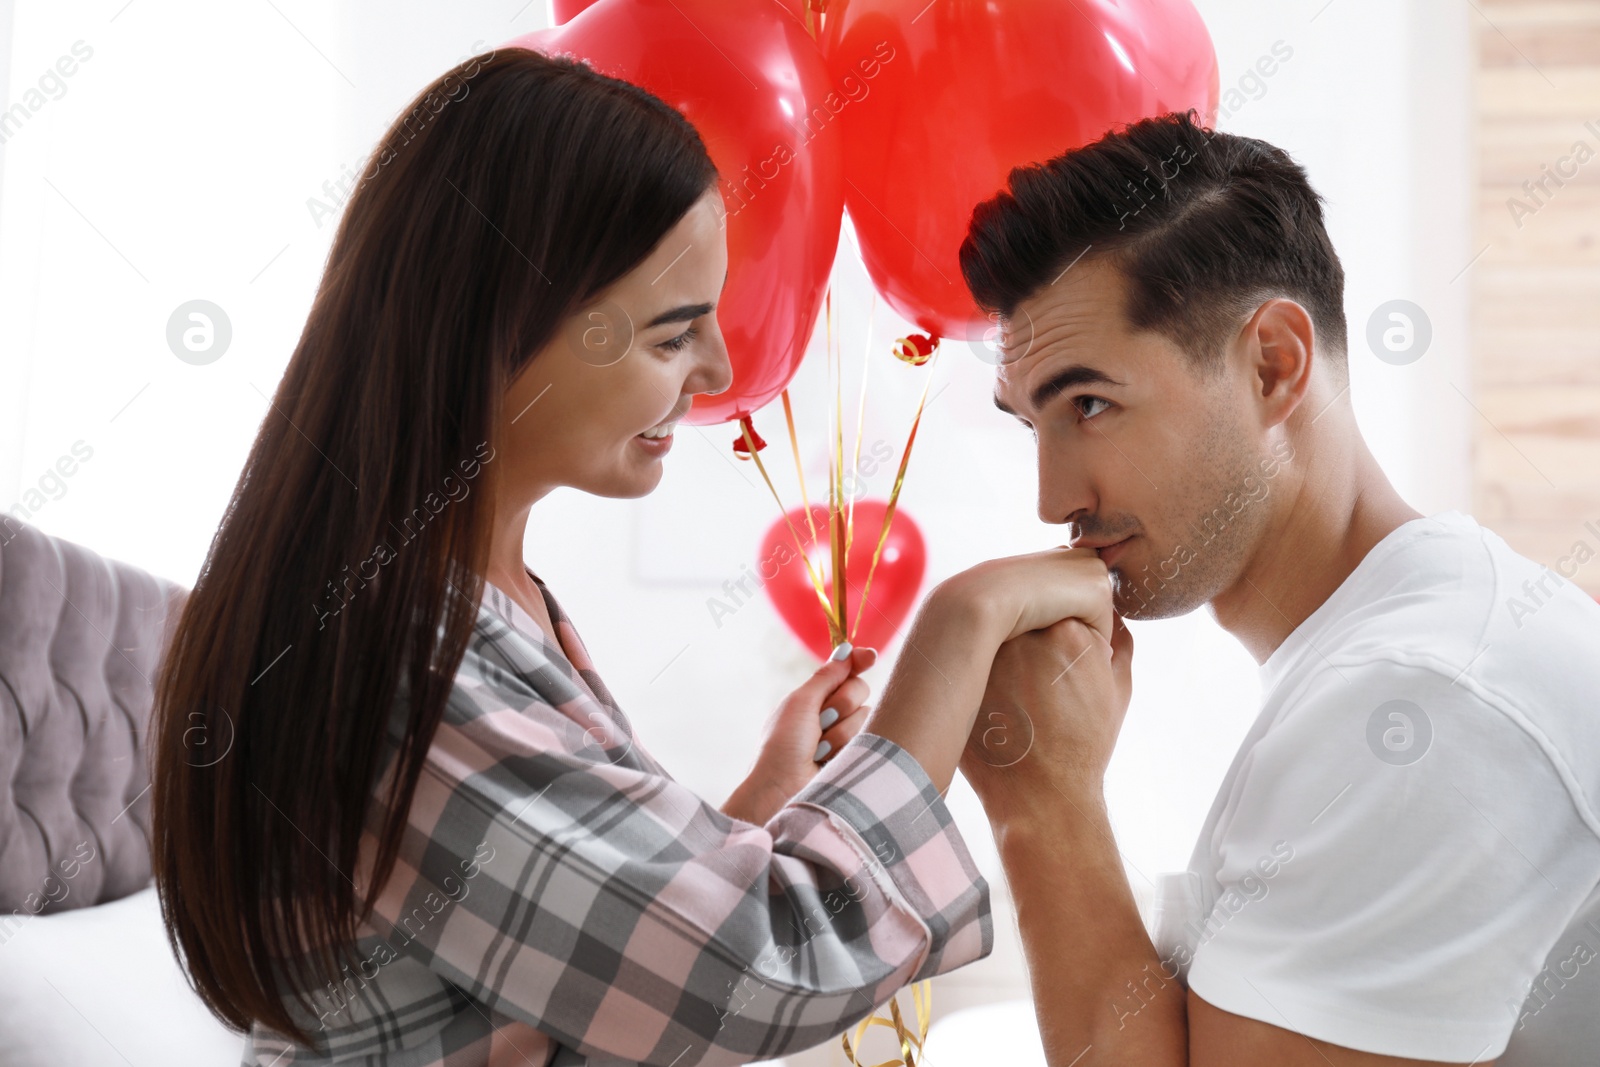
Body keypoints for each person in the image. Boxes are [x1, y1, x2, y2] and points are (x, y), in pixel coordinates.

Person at [148, 48, 1115, 1067]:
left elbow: (595, 955)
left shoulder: (477, 599)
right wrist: (960, 631)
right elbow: (759, 965)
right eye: (669, 336)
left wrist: (756, 807)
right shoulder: (399, 653)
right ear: (497, 327)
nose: (721, 371)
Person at [955, 109, 1600, 1066]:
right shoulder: (1398, 647)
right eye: (1033, 424)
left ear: (1273, 365)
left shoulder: (1424, 697)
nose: (1054, 500)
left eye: (1091, 405)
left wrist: (1042, 804)